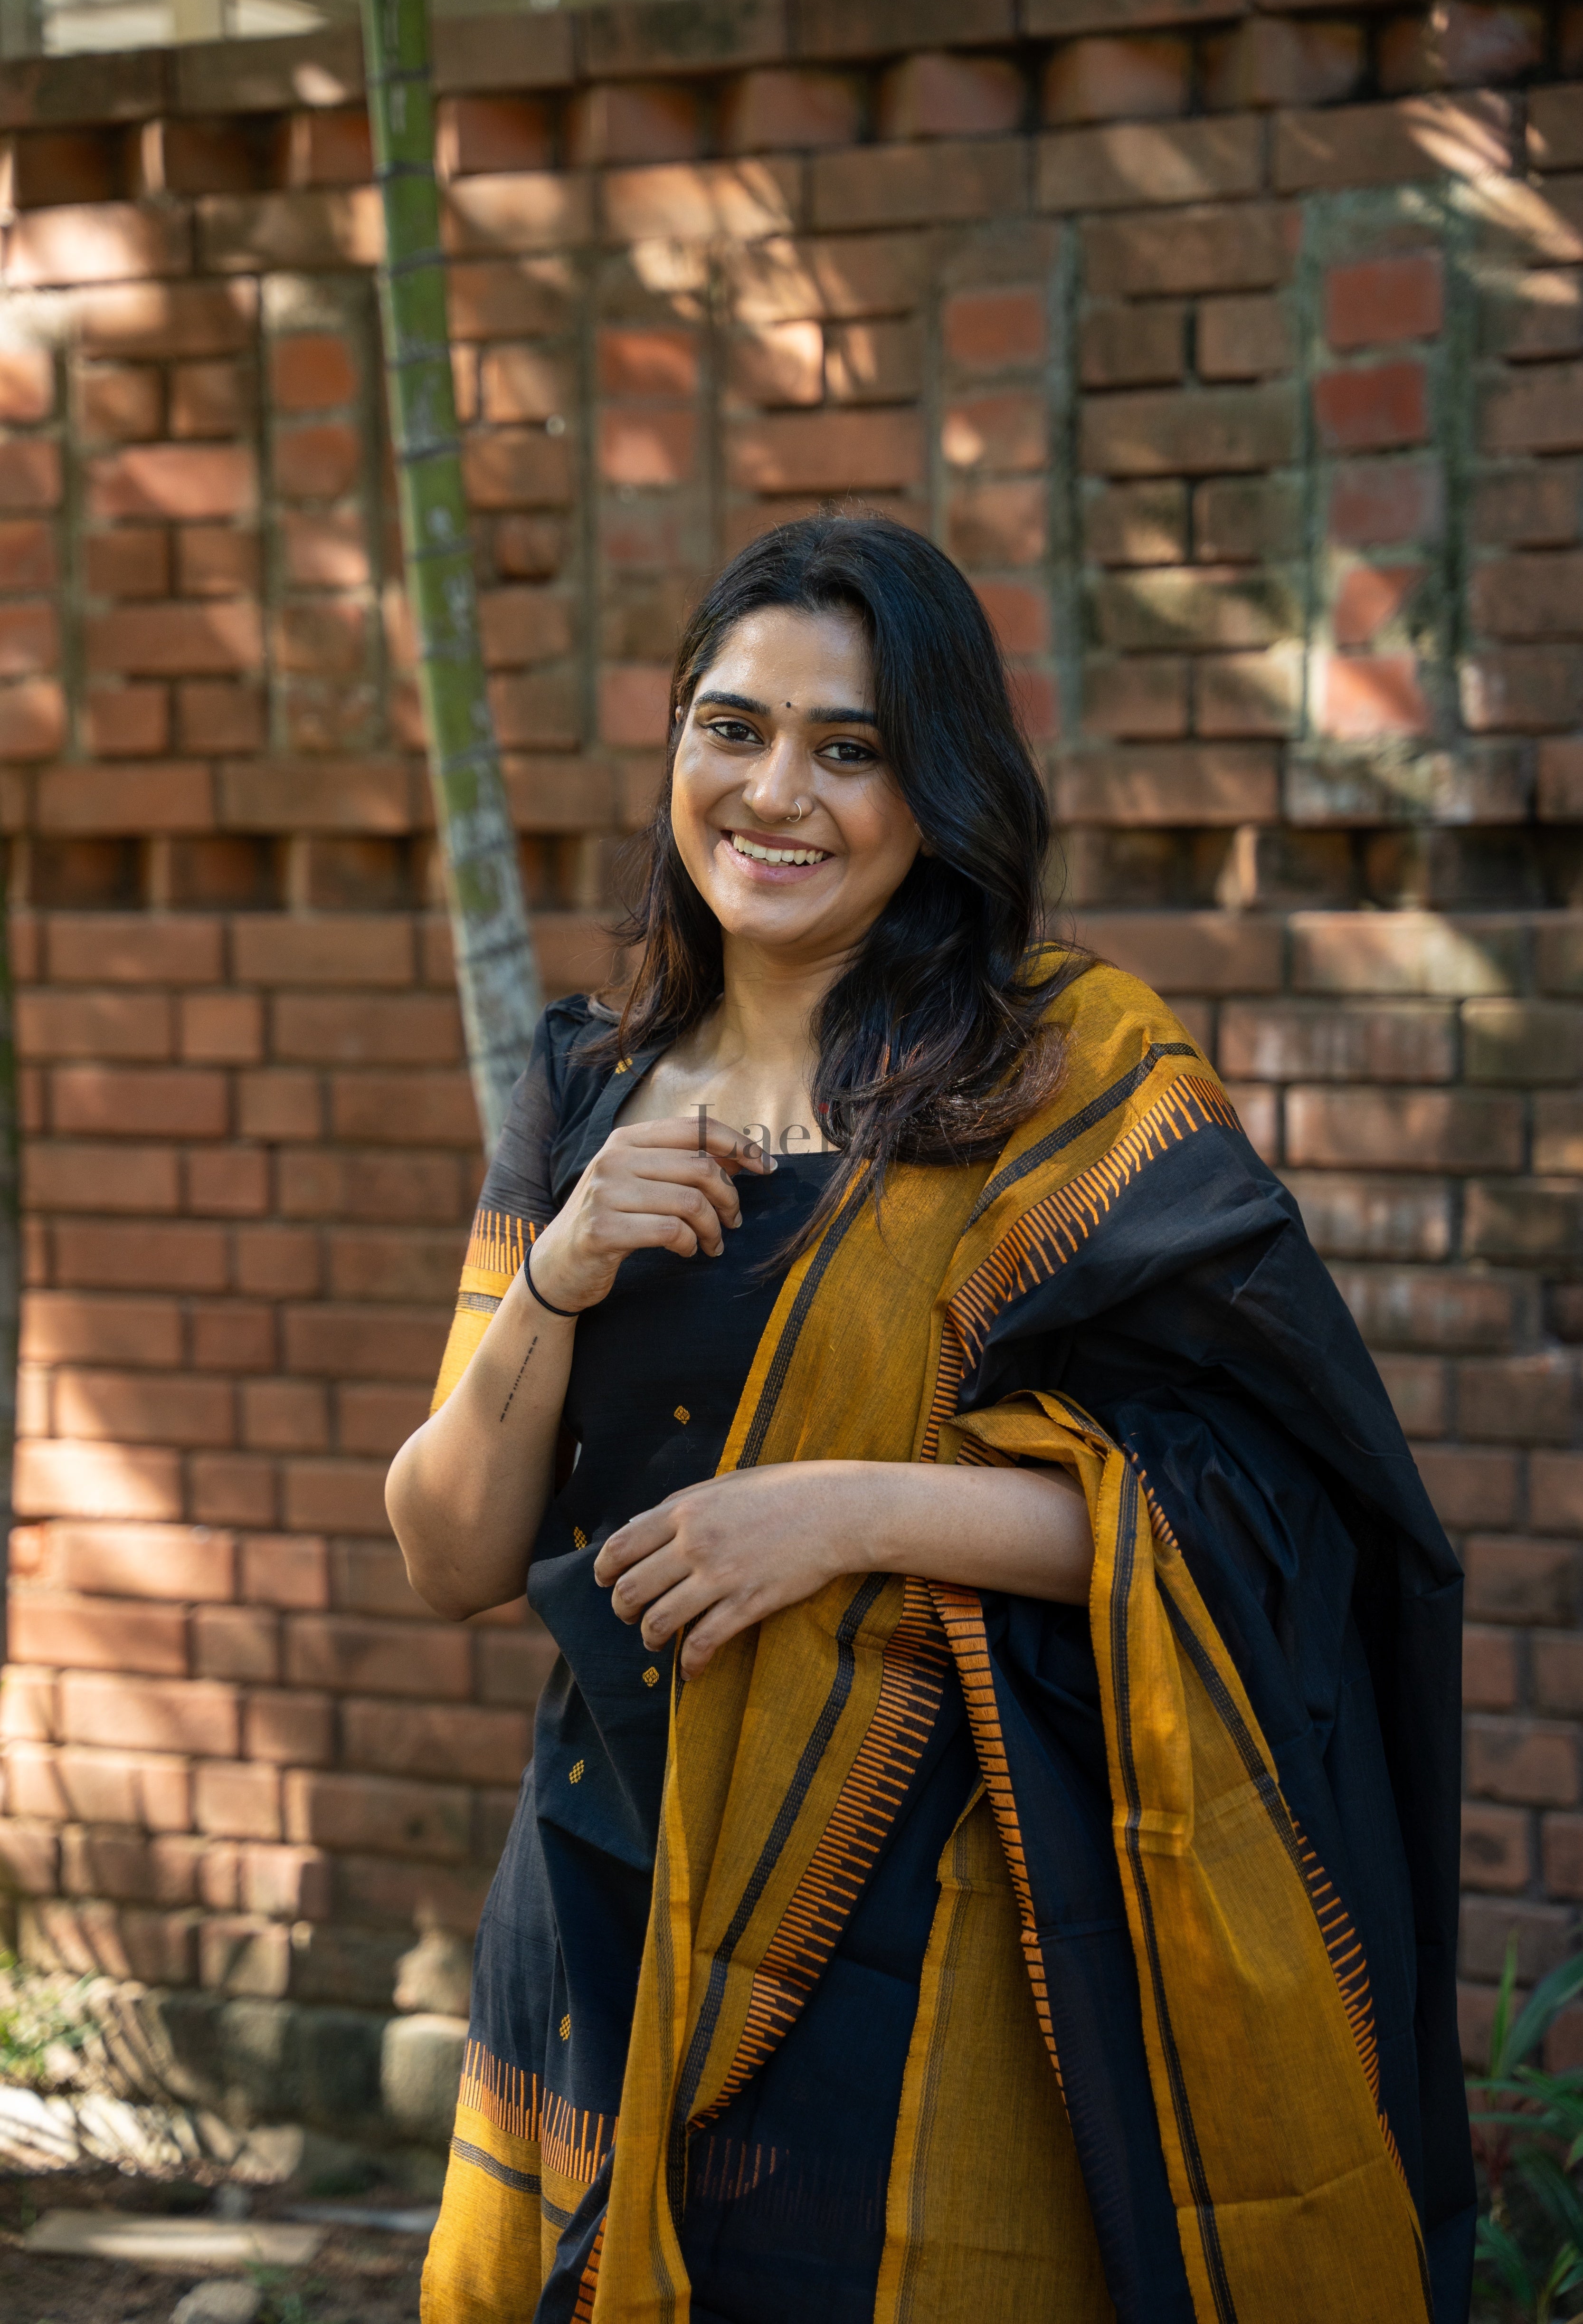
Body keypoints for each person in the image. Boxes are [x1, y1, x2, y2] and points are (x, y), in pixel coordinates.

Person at [387, 515, 1473, 2324]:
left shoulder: (1066, 1077)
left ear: (935, 786)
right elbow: (449, 1551)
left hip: (935, 1919)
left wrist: (836, 1512)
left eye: (850, 746)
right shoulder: (584, 1084)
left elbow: (1268, 1520)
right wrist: (563, 1266)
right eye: (730, 729)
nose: (776, 793)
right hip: (608, 1873)